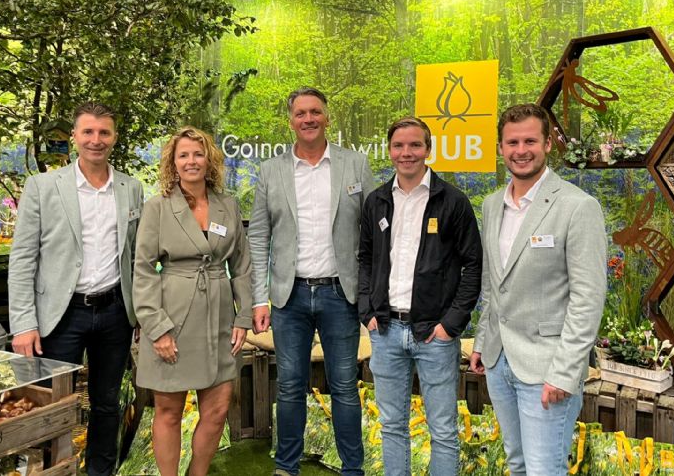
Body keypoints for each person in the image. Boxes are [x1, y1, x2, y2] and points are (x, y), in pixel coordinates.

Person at [470, 104, 607, 476]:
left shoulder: (578, 207)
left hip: (547, 367)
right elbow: (492, 284)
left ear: (547, 144)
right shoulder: (492, 205)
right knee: (517, 464)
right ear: (500, 148)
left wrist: (565, 372)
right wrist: (482, 341)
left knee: (544, 470)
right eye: (512, 142)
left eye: (530, 141)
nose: (521, 150)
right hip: (499, 361)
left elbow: (587, 299)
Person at [8, 102, 143, 476]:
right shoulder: (43, 187)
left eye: (104, 132)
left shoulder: (131, 189)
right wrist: (23, 323)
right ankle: (54, 470)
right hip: (60, 314)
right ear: (74, 136)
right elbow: (23, 258)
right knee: (53, 406)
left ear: (114, 137)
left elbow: (135, 256)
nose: (96, 140)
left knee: (107, 403)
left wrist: (139, 312)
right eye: (88, 132)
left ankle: (100, 471)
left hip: (115, 312)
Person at [249, 87, 375, 476]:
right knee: (289, 386)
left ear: (327, 117)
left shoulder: (355, 165)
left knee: (344, 386)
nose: (308, 119)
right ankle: (286, 467)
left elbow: (373, 232)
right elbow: (259, 237)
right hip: (290, 297)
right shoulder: (271, 171)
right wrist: (259, 298)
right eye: (301, 113)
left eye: (315, 112)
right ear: (291, 121)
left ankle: (353, 469)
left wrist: (369, 292)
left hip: (341, 294)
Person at [358, 116, 482, 476]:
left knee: (442, 430)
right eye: (398, 145)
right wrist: (367, 310)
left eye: (415, 145)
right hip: (386, 330)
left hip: (434, 334)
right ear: (389, 150)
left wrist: (450, 324)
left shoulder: (453, 202)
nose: (406, 152)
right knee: (392, 425)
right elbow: (365, 258)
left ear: (428, 149)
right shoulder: (376, 201)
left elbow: (473, 266)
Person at [133, 126, 252, 476]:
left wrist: (243, 316)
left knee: (217, 411)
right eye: (183, 155)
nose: (191, 161)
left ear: (209, 160)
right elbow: (143, 269)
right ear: (173, 162)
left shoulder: (227, 205)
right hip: (172, 317)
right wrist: (156, 327)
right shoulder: (157, 208)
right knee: (169, 411)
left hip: (219, 317)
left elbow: (242, 265)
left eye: (198, 154)